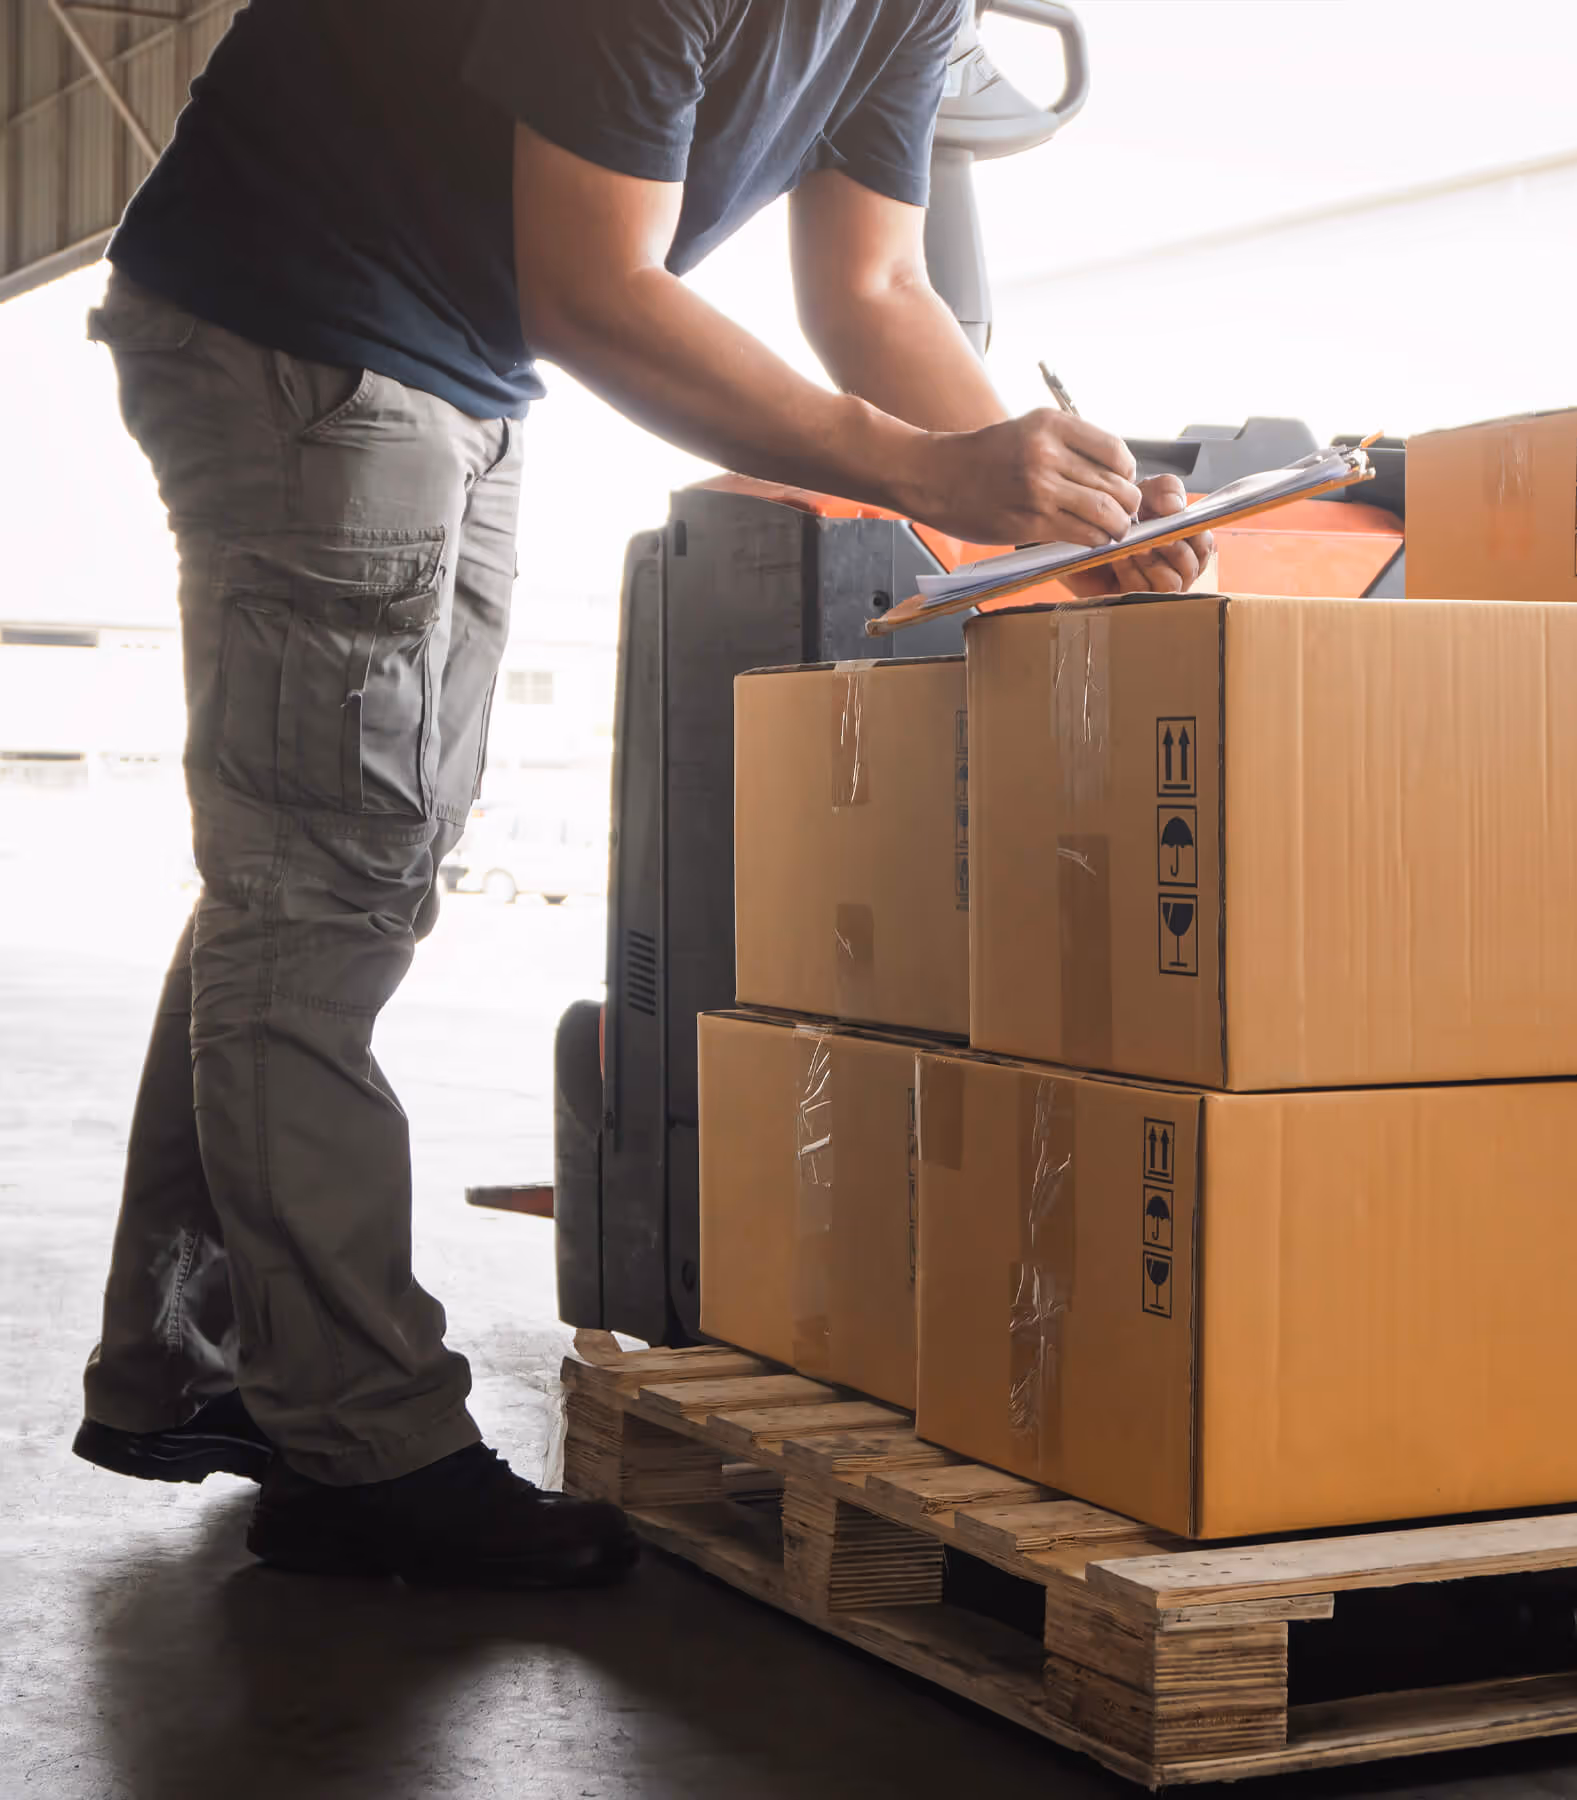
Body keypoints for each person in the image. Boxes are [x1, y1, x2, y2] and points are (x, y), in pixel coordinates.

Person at [72, 0, 1208, 1589]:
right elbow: (596, 286)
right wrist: (924, 472)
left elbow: (874, 287)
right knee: (323, 888)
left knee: (316, 868)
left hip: (447, 356)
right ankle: (360, 1449)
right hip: (301, 324)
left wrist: (1062, 509)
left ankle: (200, 1358)